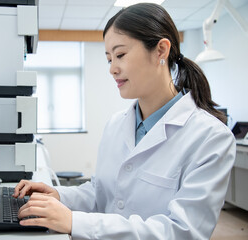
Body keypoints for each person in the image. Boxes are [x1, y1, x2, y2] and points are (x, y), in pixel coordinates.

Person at [13, 3, 236, 239]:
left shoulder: (211, 138)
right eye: (109, 59)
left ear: (161, 50)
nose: (112, 69)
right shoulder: (116, 124)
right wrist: (58, 196)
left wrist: (73, 221)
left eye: (120, 55)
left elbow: (183, 231)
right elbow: (101, 192)